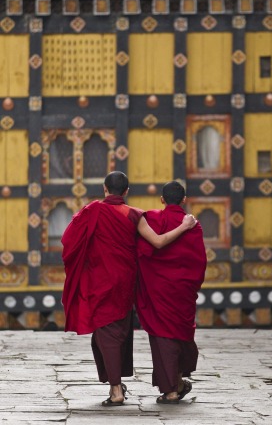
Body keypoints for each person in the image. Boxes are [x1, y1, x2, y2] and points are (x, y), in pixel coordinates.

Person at [61, 172, 196, 407]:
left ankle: (116, 390)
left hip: (99, 281)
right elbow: (158, 242)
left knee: (105, 333)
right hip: (124, 282)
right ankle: (119, 386)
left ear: (105, 189)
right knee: (120, 332)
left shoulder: (91, 210)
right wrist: (184, 226)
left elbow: (68, 240)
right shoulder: (134, 214)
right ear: (126, 192)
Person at [135, 180, 207, 404]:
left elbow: (140, 253)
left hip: (158, 290)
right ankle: (176, 383)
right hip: (182, 291)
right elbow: (200, 262)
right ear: (184, 200)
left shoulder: (152, 219)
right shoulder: (193, 225)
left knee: (163, 338)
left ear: (162, 200)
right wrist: (191, 286)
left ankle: (172, 390)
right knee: (179, 333)